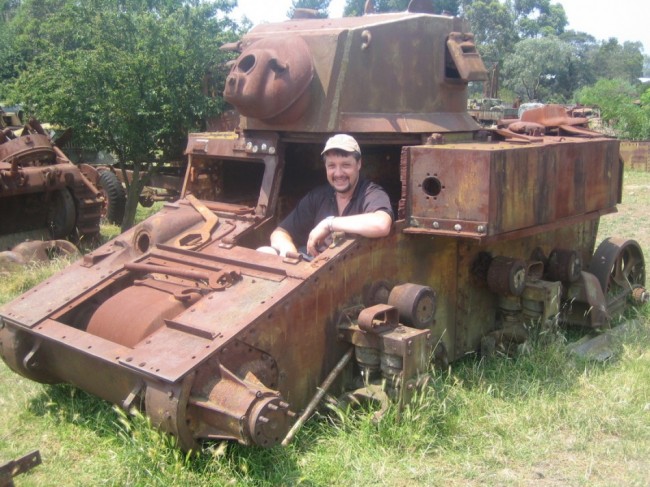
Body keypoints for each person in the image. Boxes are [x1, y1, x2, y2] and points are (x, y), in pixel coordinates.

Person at [269, 134, 393, 258]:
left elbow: (382, 224)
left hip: (350, 270)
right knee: (265, 251)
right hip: (312, 266)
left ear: (358, 164)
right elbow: (280, 233)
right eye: (332, 166)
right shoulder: (318, 196)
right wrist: (289, 252)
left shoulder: (371, 193)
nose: (338, 173)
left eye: (346, 165)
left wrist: (329, 224)